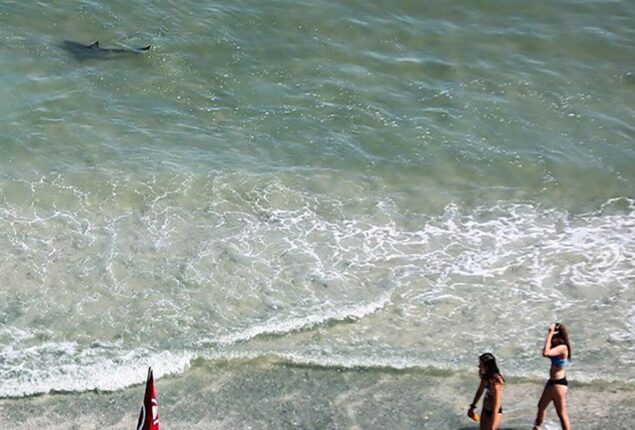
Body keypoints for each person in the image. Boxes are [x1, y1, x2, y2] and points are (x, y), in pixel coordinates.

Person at [533, 323, 571, 430]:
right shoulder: (557, 347)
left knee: (561, 413)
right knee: (541, 406)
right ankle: (537, 427)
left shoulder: (563, 347)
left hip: (559, 384)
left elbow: (545, 353)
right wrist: (549, 336)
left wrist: (550, 333)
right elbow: (545, 351)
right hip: (552, 382)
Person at [468, 352, 504, 430]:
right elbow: (480, 390)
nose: (479, 366)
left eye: (481, 364)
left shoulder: (496, 382)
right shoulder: (485, 376)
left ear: (487, 366)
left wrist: (493, 426)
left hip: (495, 411)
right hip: (485, 408)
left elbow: (496, 405)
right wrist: (472, 406)